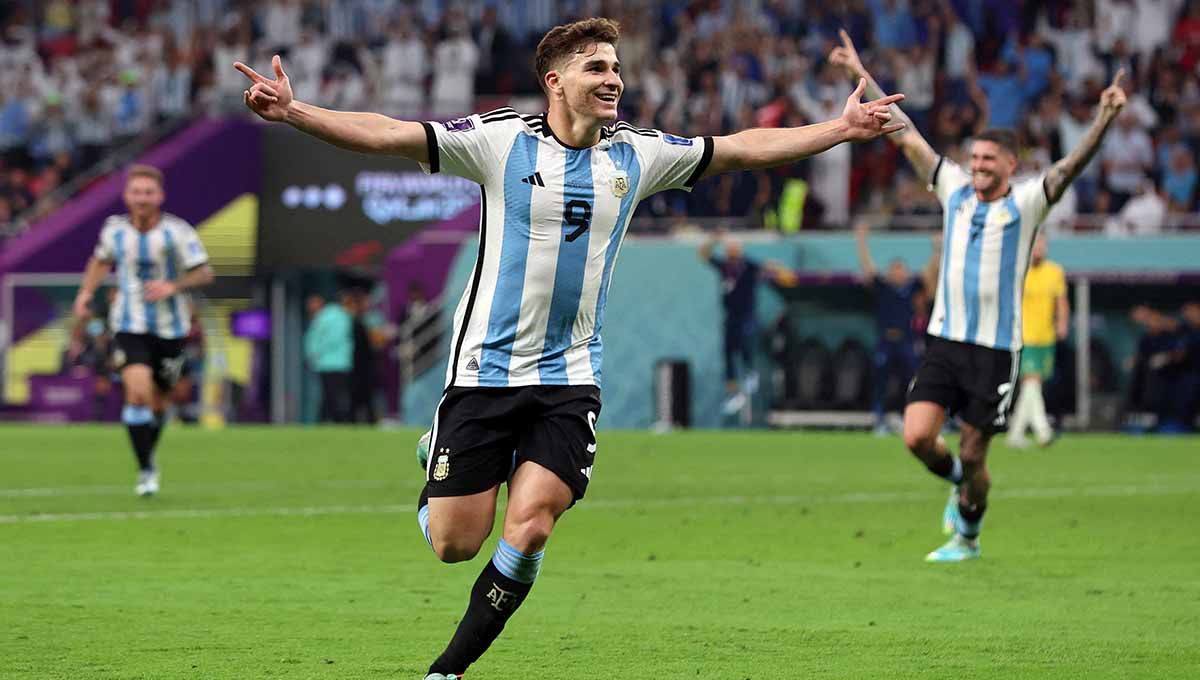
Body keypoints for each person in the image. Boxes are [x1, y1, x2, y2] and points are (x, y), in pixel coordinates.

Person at [237, 18, 904, 679]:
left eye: (615, 68)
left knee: (529, 527)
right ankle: (434, 451)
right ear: (555, 82)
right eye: (597, 68)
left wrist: (839, 130)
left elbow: (738, 147)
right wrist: (296, 112)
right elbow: (387, 133)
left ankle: (447, 670)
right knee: (454, 545)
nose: (613, 79)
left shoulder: (637, 154)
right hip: (484, 373)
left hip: (570, 378)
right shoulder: (500, 142)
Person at [830, 30, 1127, 562]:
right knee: (918, 437)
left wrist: (1104, 120)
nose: (980, 165)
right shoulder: (953, 187)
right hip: (945, 340)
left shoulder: (1031, 202)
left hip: (995, 350)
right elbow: (904, 131)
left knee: (974, 449)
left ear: (1012, 164)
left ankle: (967, 534)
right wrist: (861, 71)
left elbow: (1071, 166)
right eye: (976, 157)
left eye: (990, 159)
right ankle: (959, 484)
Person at [72, 164, 213, 496]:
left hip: (171, 328)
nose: (142, 198)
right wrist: (85, 293)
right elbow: (100, 261)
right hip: (128, 323)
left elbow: (204, 273)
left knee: (161, 402)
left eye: (148, 192)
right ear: (126, 196)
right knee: (137, 393)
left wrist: (172, 286)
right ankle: (146, 469)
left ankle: (148, 457)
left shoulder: (178, 232)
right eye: (136, 192)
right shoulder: (114, 230)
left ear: (160, 196)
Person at [854, 220, 939, 434]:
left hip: (906, 340)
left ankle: (909, 418)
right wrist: (861, 241)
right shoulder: (884, 287)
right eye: (894, 268)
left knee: (912, 380)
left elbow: (929, 274)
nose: (898, 272)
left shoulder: (911, 288)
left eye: (901, 268)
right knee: (881, 378)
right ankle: (879, 418)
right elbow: (868, 267)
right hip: (885, 340)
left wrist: (937, 249)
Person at [698, 232, 793, 415]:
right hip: (730, 316)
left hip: (746, 315)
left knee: (745, 344)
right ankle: (733, 392)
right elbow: (703, 254)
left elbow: (770, 268)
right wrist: (714, 239)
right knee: (728, 353)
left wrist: (782, 272)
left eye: (733, 247)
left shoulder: (748, 266)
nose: (730, 251)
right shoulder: (724, 266)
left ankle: (750, 374)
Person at [1006, 235, 1068, 448]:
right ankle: (1043, 432)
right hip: (1024, 336)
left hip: (1046, 337)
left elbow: (1061, 301)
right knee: (1031, 382)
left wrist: (1062, 323)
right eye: (1034, 245)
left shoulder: (1055, 271)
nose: (1038, 249)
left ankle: (1015, 433)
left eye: (1042, 245)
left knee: (1032, 386)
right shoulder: (1018, 270)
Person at [303, 289, 354, 423]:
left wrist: (314, 354)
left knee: (329, 394)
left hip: (327, 363)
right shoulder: (341, 315)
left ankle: (326, 420)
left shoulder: (324, 316)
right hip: (338, 363)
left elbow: (316, 338)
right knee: (334, 395)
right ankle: (336, 420)